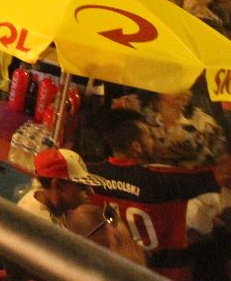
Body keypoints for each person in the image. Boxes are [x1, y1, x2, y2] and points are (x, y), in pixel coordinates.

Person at [86, 111, 231, 280]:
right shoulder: (162, 180)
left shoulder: (91, 175)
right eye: (149, 136)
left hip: (115, 271)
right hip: (165, 274)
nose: (156, 140)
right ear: (136, 147)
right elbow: (221, 174)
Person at [16, 148, 96, 228]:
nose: (91, 192)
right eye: (82, 186)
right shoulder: (42, 225)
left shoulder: (45, 198)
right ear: (58, 185)